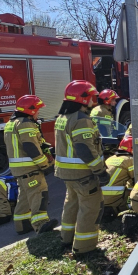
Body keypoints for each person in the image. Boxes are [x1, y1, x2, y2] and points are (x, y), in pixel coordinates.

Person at [55, 80, 110, 255]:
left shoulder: (62, 118)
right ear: (82, 98)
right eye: (91, 97)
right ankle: (84, 248)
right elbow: (84, 149)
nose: (93, 100)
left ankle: (66, 238)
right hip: (83, 174)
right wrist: (100, 171)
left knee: (71, 204)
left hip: (67, 174)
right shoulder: (82, 120)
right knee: (90, 208)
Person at [4, 95, 57, 235]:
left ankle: (22, 225)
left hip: (18, 169)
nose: (38, 112)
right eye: (37, 110)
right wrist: (45, 164)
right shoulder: (25, 123)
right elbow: (30, 146)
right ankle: (41, 224)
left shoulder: (11, 124)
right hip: (30, 168)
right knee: (39, 193)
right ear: (30, 110)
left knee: (25, 196)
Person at [101, 135, 135, 221]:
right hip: (112, 199)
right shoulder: (130, 160)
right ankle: (129, 209)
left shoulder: (110, 158)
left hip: (99, 199)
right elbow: (137, 180)